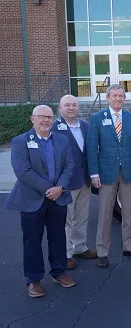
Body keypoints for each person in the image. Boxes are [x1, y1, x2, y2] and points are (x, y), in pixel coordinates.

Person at [5, 105, 76, 297]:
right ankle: (34, 279)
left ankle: (59, 272)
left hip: (58, 197)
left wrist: (60, 187)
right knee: (32, 240)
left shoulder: (62, 140)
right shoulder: (20, 142)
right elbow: (23, 171)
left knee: (58, 237)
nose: (46, 120)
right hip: (32, 199)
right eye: (41, 116)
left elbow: (69, 166)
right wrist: (48, 189)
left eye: (49, 117)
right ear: (32, 119)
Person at [87, 84, 131, 268]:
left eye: (121, 96)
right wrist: (94, 173)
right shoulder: (97, 118)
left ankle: (130, 247)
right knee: (105, 213)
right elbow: (92, 148)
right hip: (106, 173)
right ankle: (102, 252)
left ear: (124, 98)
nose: (118, 99)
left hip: (128, 171)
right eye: (114, 96)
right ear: (107, 98)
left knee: (129, 212)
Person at [52, 95, 97, 270]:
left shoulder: (85, 126)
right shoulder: (54, 128)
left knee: (82, 216)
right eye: (67, 105)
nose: (71, 108)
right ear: (60, 108)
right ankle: (66, 254)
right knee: (66, 219)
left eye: (74, 105)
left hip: (84, 180)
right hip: (66, 182)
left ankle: (80, 246)